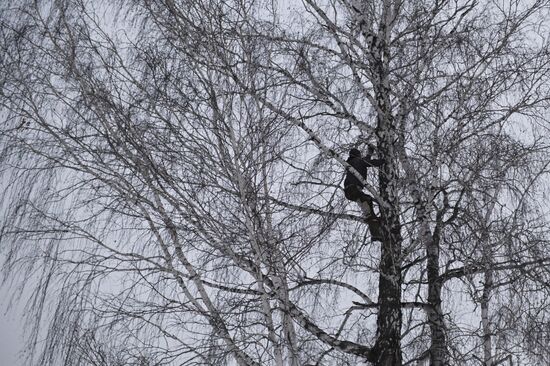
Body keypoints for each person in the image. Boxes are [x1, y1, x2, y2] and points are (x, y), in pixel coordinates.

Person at [344, 146, 383, 216]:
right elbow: (369, 163)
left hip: (348, 191)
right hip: (354, 188)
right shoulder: (357, 161)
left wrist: (369, 154)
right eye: (359, 155)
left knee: (366, 200)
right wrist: (383, 161)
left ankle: (370, 216)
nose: (360, 156)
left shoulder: (351, 163)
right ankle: (370, 217)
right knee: (366, 200)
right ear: (357, 155)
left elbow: (364, 162)